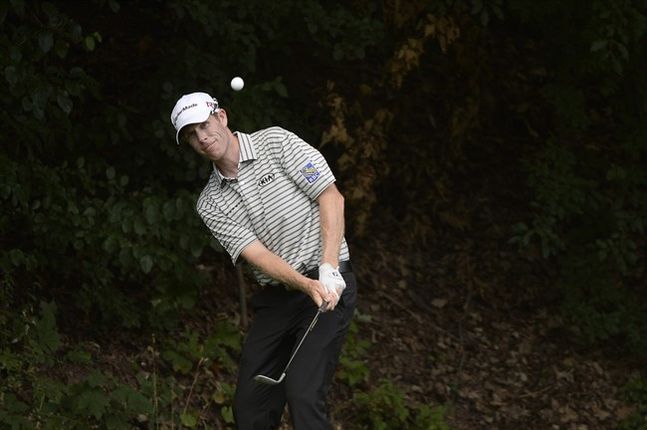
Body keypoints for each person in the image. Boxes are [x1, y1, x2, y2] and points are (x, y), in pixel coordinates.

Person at [170, 91, 357, 429]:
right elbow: (256, 255)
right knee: (250, 407)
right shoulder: (210, 203)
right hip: (280, 298)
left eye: (204, 125)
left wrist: (327, 268)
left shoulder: (276, 142)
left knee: (303, 393)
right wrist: (305, 284)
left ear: (222, 117)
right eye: (191, 135)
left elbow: (331, 196)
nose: (202, 138)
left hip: (330, 285)